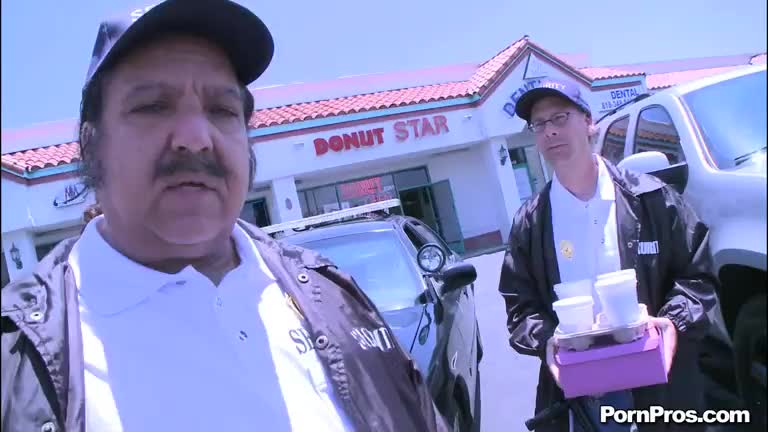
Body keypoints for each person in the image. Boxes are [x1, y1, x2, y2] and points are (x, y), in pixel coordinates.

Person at [0, 1, 449, 431]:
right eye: (152, 106)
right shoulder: (17, 355)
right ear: (90, 144)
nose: (196, 137)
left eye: (221, 110)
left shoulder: (333, 294)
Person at [498, 79, 718, 431]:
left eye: (560, 118)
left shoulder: (651, 198)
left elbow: (697, 275)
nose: (550, 131)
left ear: (588, 122)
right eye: (539, 124)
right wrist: (549, 341)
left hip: (660, 385)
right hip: (582, 391)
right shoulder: (531, 222)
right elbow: (521, 306)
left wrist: (671, 323)